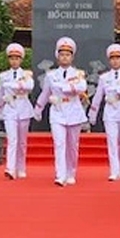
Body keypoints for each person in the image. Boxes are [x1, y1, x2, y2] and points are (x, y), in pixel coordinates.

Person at [34, 36, 87, 186]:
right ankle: (60, 174)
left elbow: (81, 87)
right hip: (57, 111)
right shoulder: (51, 75)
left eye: (68, 54)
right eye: (62, 54)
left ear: (72, 56)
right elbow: (45, 93)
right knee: (59, 143)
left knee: (72, 145)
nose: (65, 57)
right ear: (57, 56)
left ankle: (71, 171)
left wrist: (66, 88)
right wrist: (38, 109)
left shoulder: (78, 74)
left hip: (73, 110)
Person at [88, 43, 120, 181]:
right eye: (113, 58)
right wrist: (92, 114)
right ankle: (114, 170)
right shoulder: (104, 78)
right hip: (110, 112)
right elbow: (98, 97)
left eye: (118, 58)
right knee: (112, 141)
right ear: (109, 60)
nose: (115, 61)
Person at [0, 43, 35, 180]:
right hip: (9, 108)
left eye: (17, 58)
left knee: (22, 141)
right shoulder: (3, 76)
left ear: (21, 60)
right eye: (12, 58)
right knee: (12, 139)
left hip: (23, 106)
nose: (14, 61)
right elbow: (0, 93)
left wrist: (13, 85)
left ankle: (21, 167)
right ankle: (10, 168)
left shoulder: (26, 74)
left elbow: (29, 87)